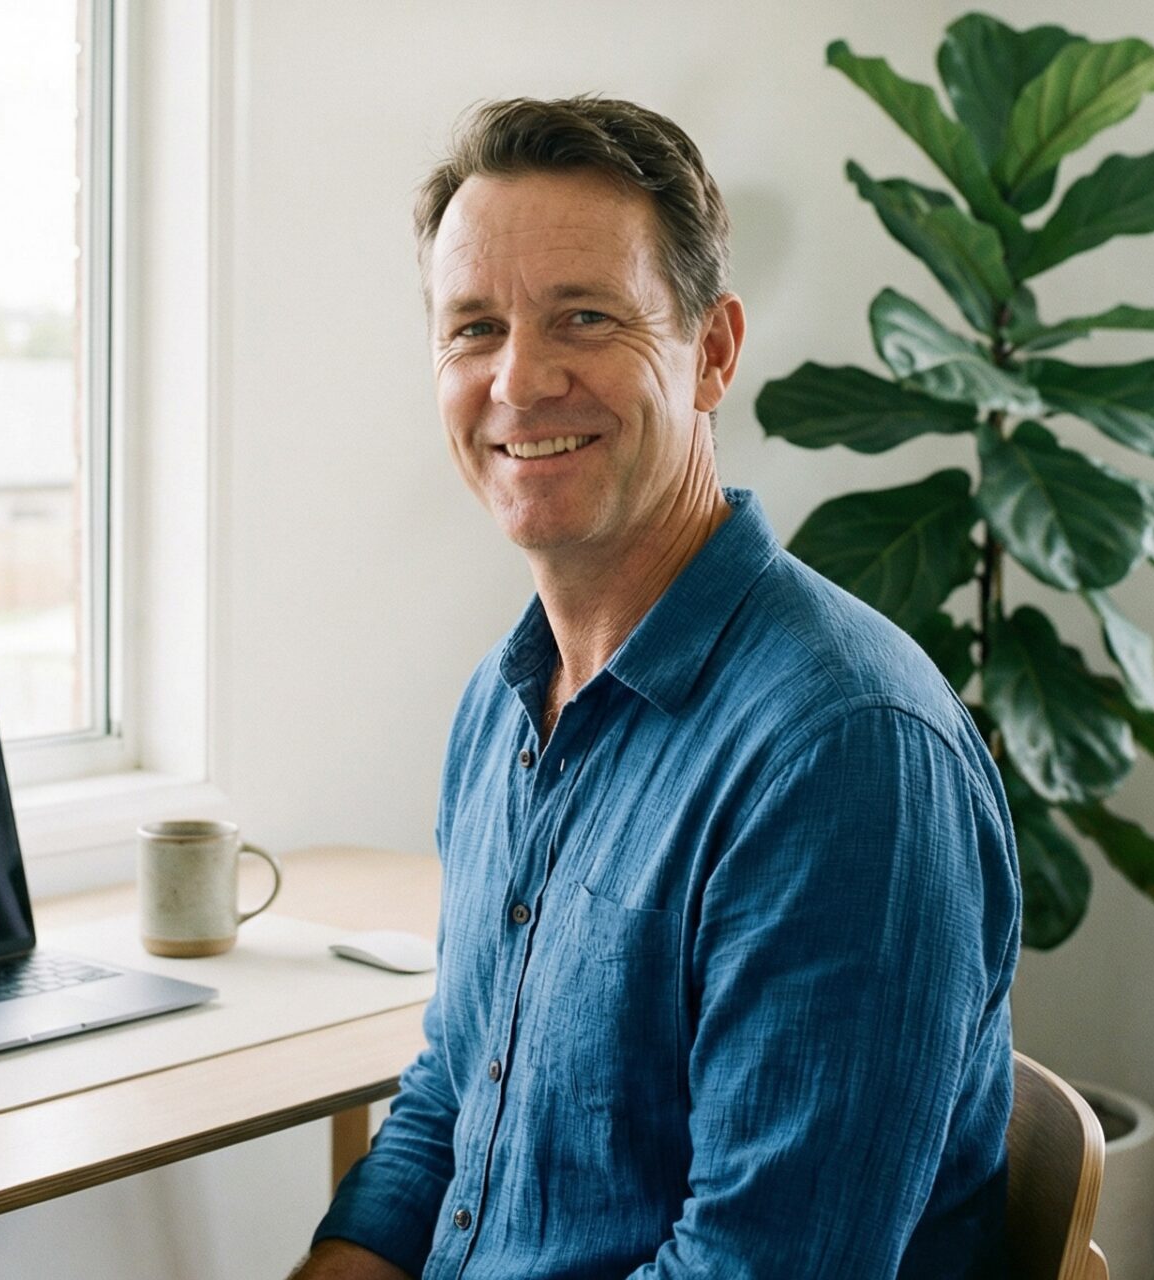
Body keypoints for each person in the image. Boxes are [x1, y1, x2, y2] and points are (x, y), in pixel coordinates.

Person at [290, 96, 1020, 1280]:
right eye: (473, 327)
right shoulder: (502, 701)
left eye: (584, 316)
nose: (520, 380)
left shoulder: (843, 751)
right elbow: (450, 1098)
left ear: (714, 351)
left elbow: (765, 1265)